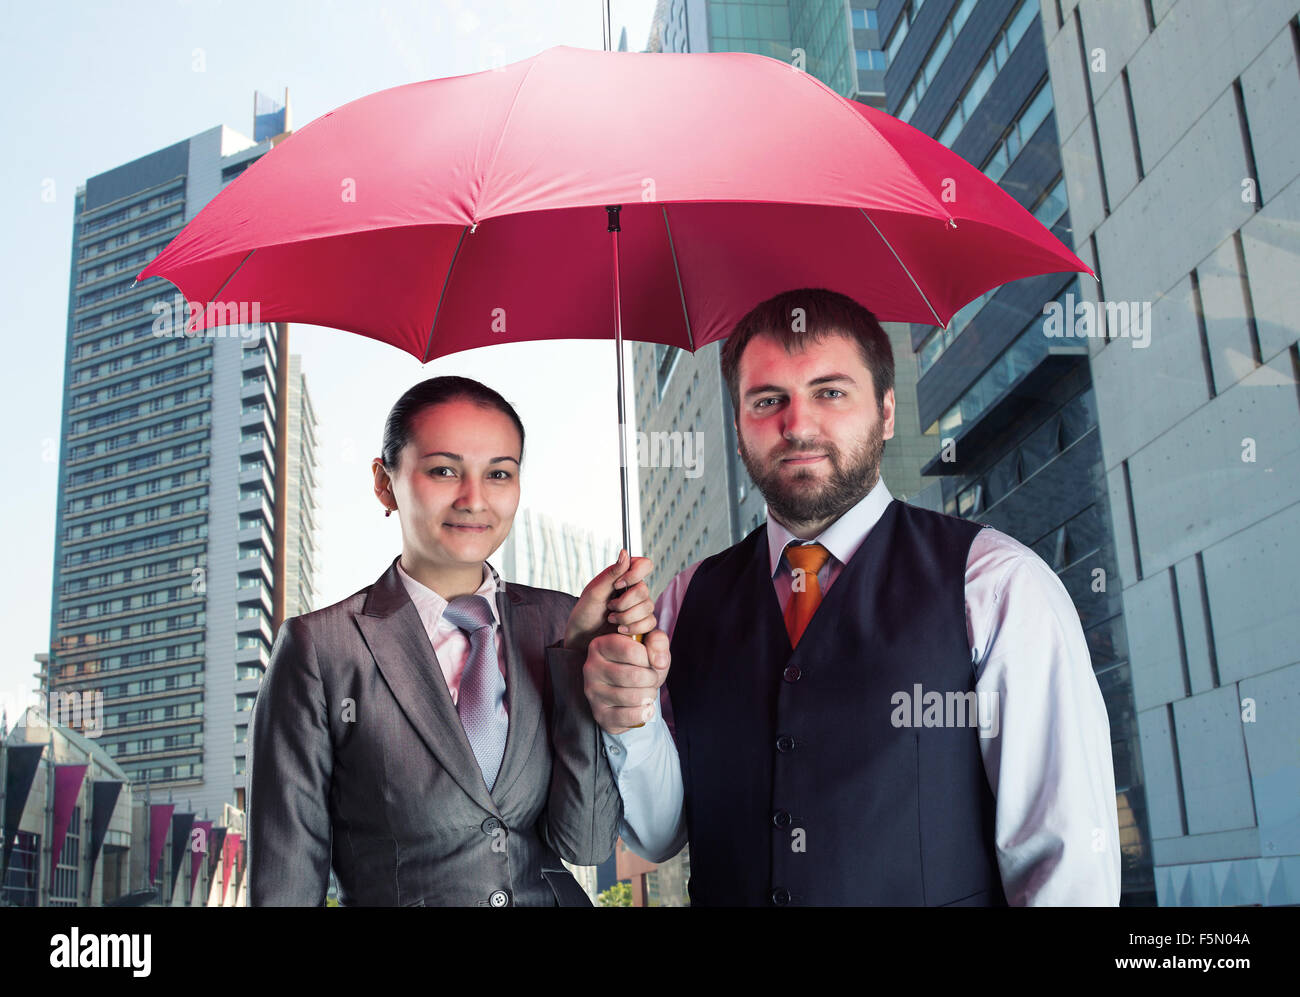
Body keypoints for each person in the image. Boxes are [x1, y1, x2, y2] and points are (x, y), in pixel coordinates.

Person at [581, 288, 1121, 906]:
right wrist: (631, 720)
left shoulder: (995, 584)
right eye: (767, 401)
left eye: (830, 392)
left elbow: (1067, 856)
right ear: (737, 429)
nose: (798, 425)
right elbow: (658, 833)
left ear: (886, 411)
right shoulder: (683, 599)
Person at [248, 375, 653, 906]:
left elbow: (588, 843)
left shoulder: (563, 621)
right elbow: (285, 882)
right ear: (384, 481)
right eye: (444, 470)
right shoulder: (320, 649)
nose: (474, 500)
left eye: (499, 474)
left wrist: (582, 662)